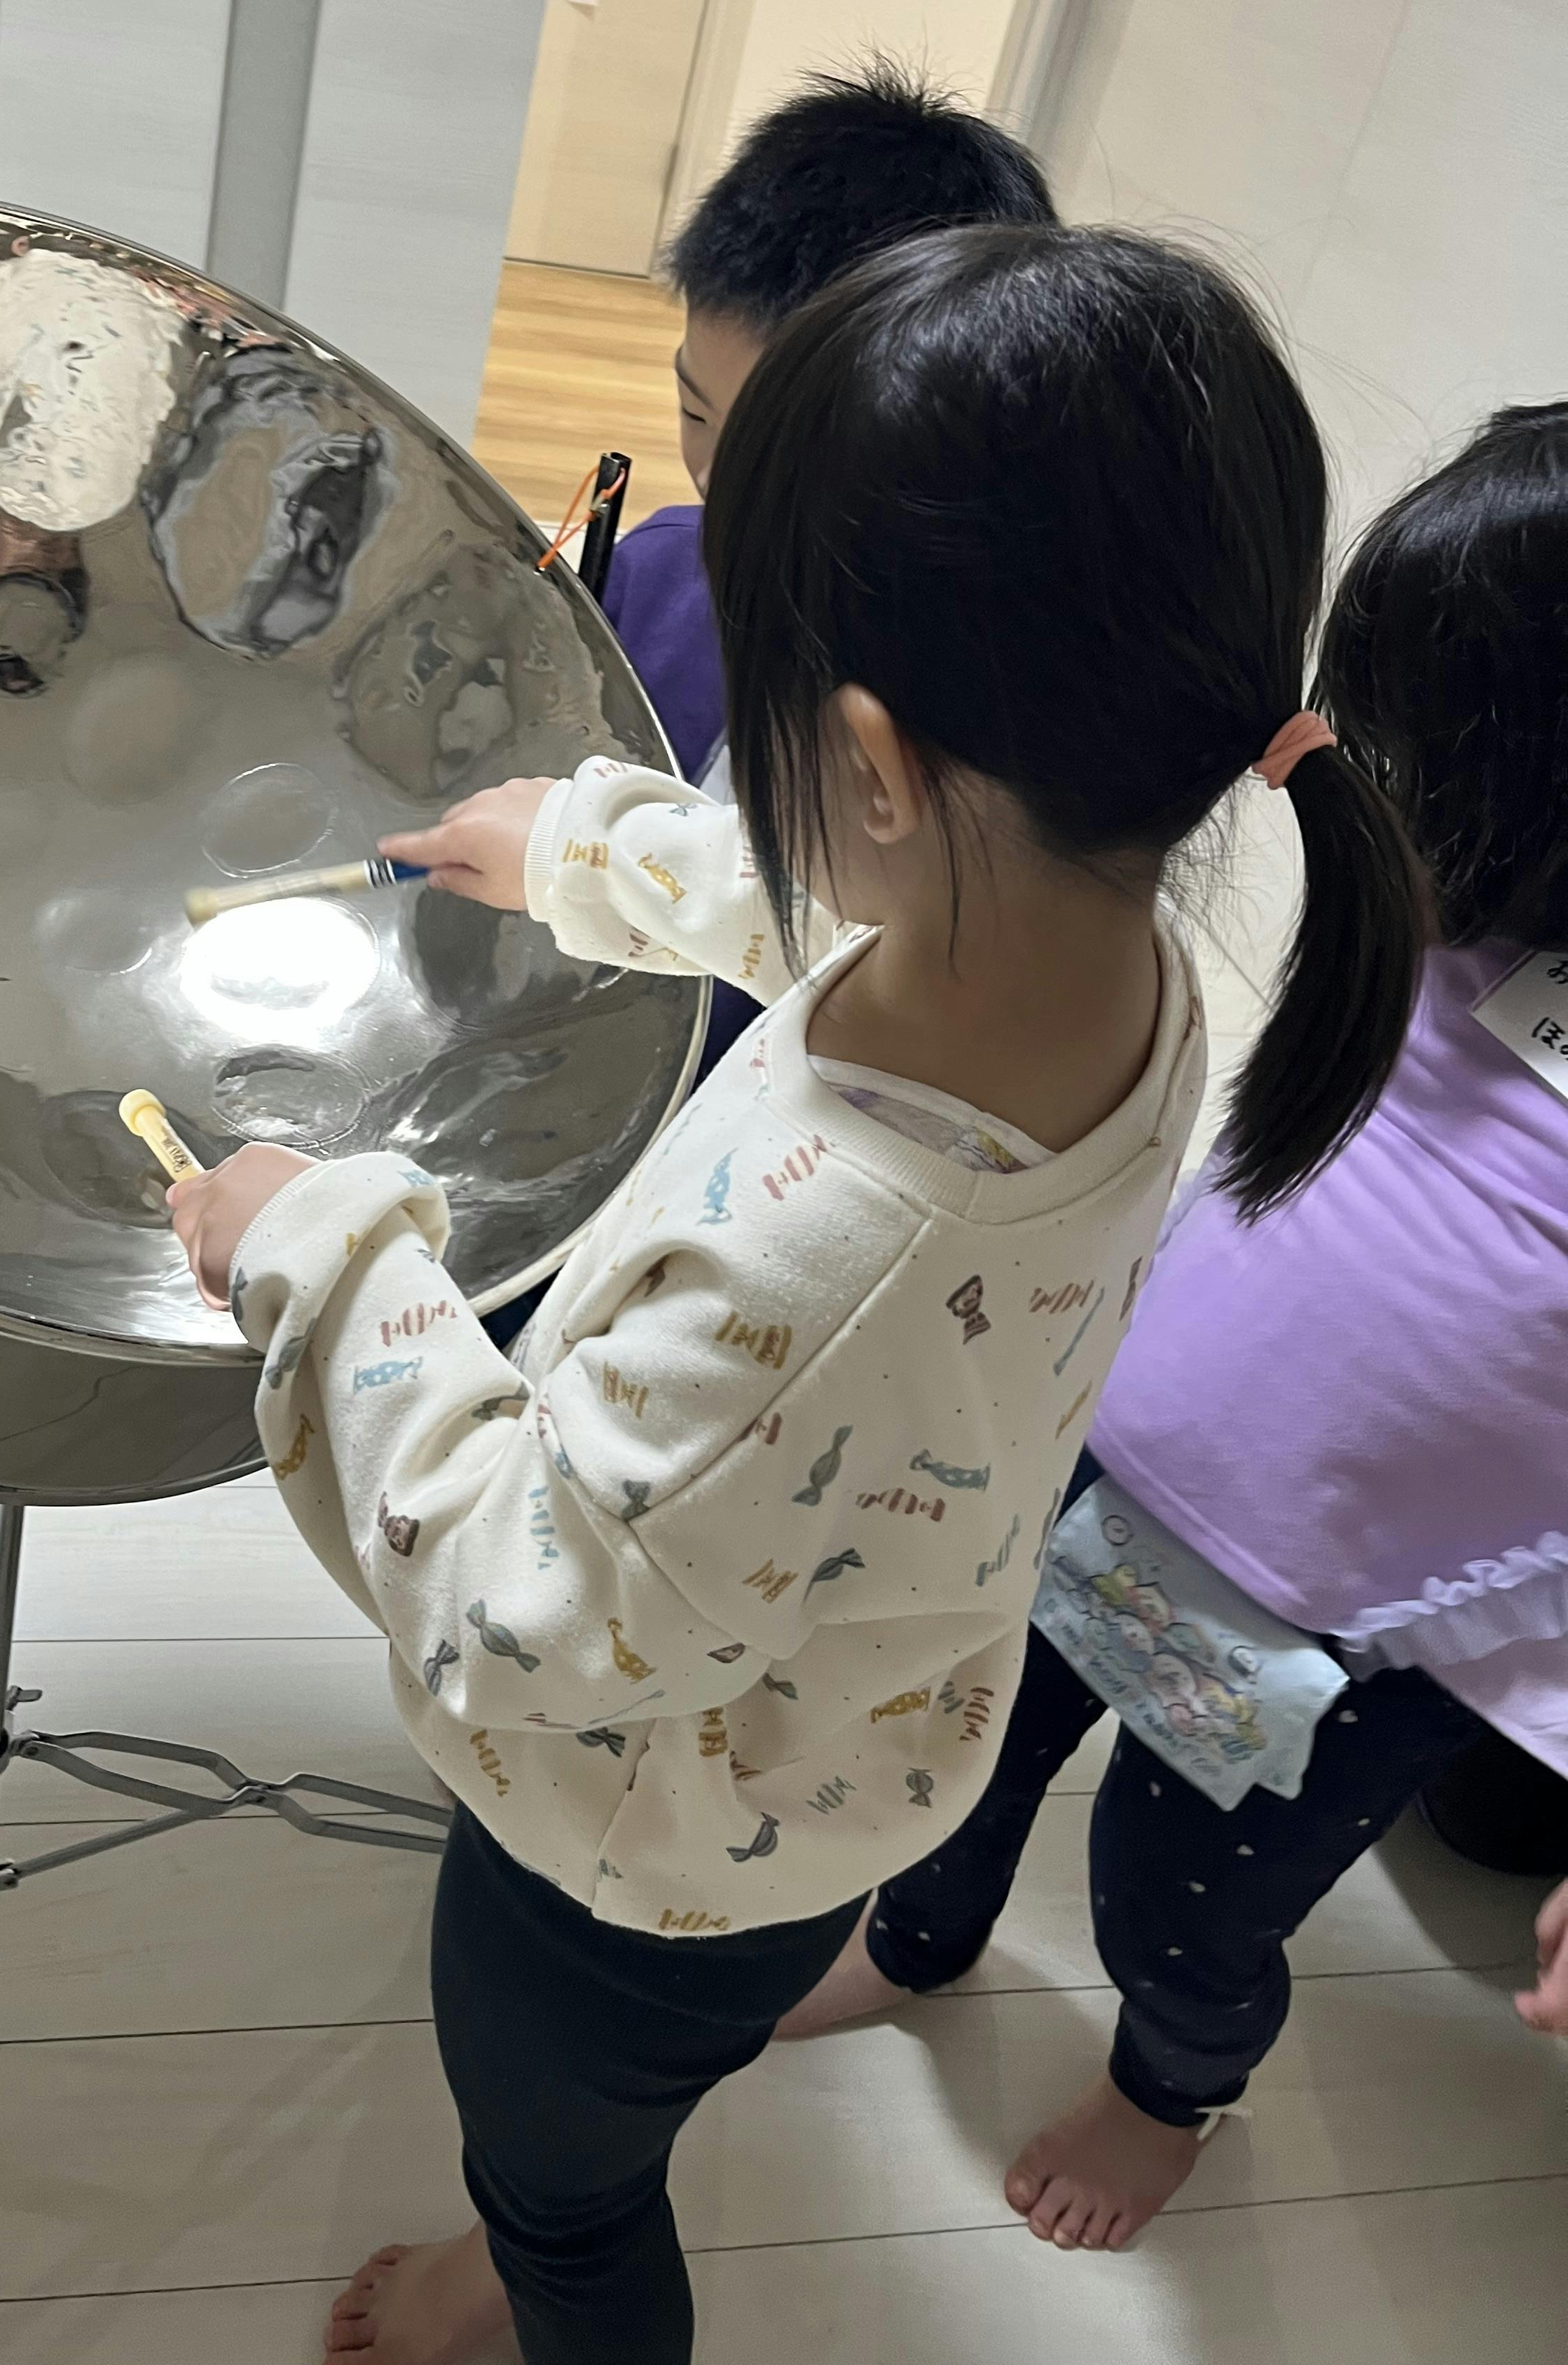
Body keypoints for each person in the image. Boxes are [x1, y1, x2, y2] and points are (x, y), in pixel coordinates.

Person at [170, 225, 1424, 2365]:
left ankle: (532, 2270)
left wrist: (329, 1249)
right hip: (829, 1743)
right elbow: (847, 924)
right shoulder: (1113, 973)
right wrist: (592, 854)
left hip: (640, 1850)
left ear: (870, 763)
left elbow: (519, 1598)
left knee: (568, 2185)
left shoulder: (838, 1248)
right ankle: (526, 2234)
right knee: (592, 2139)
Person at [775, 402, 1568, 2249]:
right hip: (1090, 1456)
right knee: (953, 1741)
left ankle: (1168, 2092)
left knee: (1175, 1907)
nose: (1388, 790)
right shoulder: (1452, 902)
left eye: (1434, 754)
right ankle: (916, 1932)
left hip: (1348, 1623)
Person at [603, 62, 1057, 1083]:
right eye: (695, 413)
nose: (724, 488)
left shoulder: (977, 743)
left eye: (785, 457)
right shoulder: (660, 574)